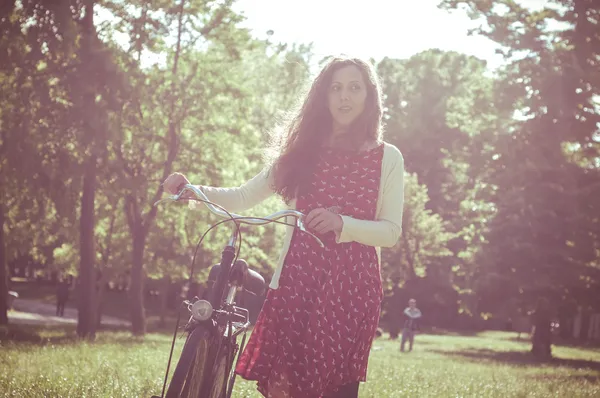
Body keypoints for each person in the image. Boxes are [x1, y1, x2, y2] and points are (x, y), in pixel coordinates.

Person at [163, 56, 405, 398]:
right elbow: (244, 195)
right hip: (296, 282)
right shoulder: (301, 154)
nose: (344, 97)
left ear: (369, 96)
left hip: (352, 290)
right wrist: (193, 190)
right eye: (335, 88)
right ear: (322, 96)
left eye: (354, 87)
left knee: (336, 390)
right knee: (285, 388)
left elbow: (390, 232)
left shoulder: (387, 157)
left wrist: (342, 224)